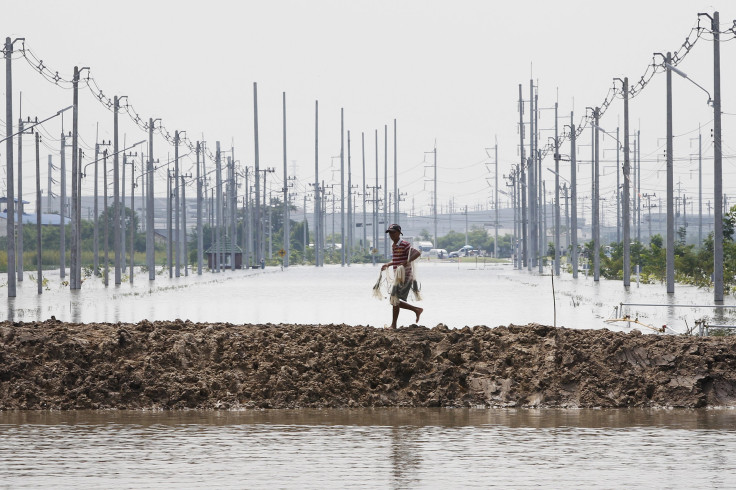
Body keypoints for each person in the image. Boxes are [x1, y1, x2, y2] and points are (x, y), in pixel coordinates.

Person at [381, 224, 423, 328]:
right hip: (398, 277)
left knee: (394, 300)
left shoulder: (404, 244)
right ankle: (415, 310)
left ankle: (394, 324)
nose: (391, 235)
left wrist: (406, 262)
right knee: (394, 300)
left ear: (399, 233)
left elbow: (417, 253)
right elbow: (396, 260)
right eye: (390, 233)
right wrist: (388, 264)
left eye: (393, 232)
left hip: (406, 276)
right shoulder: (394, 245)